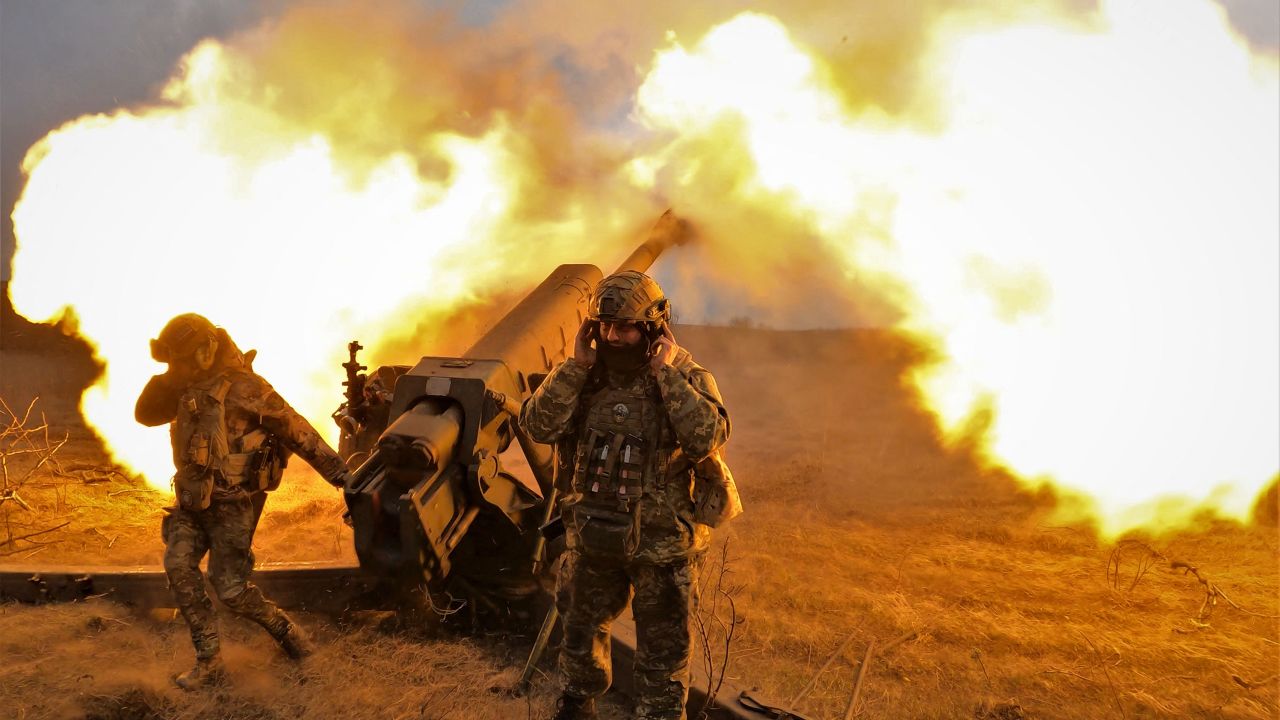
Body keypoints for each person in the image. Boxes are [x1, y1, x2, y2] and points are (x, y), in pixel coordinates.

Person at [520, 271, 731, 720]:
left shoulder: (685, 375)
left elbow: (707, 438)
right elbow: (538, 425)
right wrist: (575, 366)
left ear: (654, 328)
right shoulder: (581, 375)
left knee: (663, 652)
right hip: (592, 537)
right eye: (605, 327)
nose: (615, 337)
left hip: (663, 546)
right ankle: (579, 706)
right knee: (579, 634)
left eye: (627, 327)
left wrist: (665, 373)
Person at [135, 313, 351, 689]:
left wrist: (345, 478)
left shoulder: (246, 388)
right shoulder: (184, 385)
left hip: (235, 504)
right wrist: (171, 377)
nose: (179, 367)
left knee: (230, 589)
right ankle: (209, 661)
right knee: (179, 566)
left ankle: (287, 632)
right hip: (191, 502)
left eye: (184, 358)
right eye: (175, 361)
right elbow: (145, 415)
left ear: (207, 349)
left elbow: (298, 431)